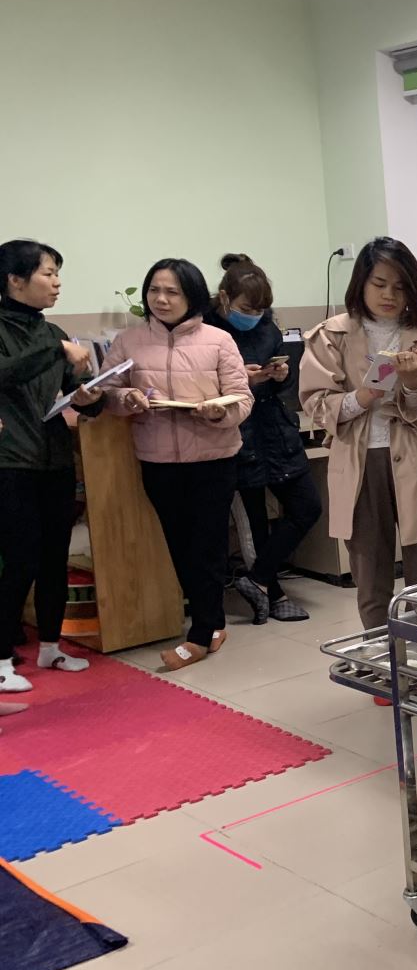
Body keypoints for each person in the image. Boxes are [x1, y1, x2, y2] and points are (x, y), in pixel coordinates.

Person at [299, 237, 417, 646]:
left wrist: (413, 384)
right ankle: (382, 658)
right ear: (361, 284)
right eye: (379, 284)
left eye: (400, 286)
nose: (389, 295)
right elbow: (315, 401)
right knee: (370, 572)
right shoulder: (331, 335)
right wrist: (363, 397)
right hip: (360, 463)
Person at [101, 259, 252, 670]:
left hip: (212, 458)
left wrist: (218, 412)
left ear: (193, 296)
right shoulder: (129, 341)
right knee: (179, 545)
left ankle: (200, 635)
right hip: (158, 459)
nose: (161, 299)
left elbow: (242, 398)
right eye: (155, 290)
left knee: (208, 545)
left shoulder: (219, 340)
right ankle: (213, 623)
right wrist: (125, 399)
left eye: (173, 292)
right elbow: (106, 392)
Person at [0, 240, 105, 717]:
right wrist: (55, 349)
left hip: (55, 460)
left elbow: (74, 392)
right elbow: (7, 372)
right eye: (47, 273)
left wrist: (89, 398)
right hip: (11, 463)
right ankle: (2, 658)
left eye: (57, 273)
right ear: (14, 280)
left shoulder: (53, 332)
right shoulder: (40, 338)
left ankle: (50, 646)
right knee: (18, 560)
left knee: (53, 558)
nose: (57, 282)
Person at [207, 254, 320, 624]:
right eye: (246, 309)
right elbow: (203, 389)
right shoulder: (207, 333)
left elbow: (282, 382)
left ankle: (256, 579)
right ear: (225, 298)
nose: (254, 315)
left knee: (307, 507)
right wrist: (242, 380)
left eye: (260, 309)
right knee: (254, 523)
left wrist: (281, 374)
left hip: (275, 429)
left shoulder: (268, 328)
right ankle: (273, 593)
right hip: (239, 435)